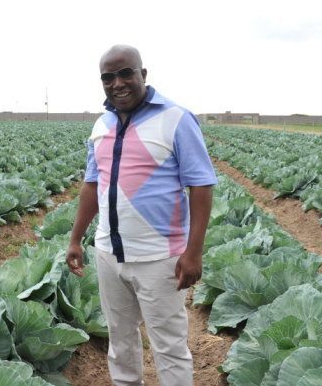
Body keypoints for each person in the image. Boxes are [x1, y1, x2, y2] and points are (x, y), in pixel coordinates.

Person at [66, 44, 217, 386]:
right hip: (108, 254)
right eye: (108, 77)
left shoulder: (176, 118)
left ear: (142, 74)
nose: (117, 83)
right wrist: (76, 238)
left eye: (125, 73)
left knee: (170, 347)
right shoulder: (101, 124)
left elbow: (202, 186)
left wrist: (193, 252)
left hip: (159, 258)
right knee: (120, 341)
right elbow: (92, 185)